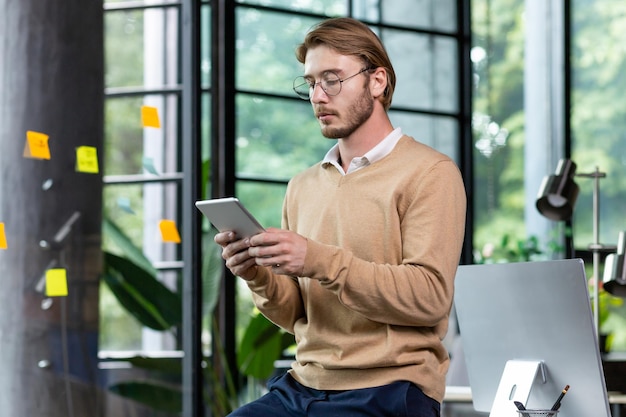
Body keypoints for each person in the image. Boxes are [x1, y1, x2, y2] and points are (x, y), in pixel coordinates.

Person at [215, 16, 466, 417]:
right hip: (302, 386)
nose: (318, 95)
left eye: (332, 79)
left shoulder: (430, 173)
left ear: (377, 81)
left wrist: (318, 259)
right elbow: (296, 313)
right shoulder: (303, 185)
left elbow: (430, 298)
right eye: (311, 83)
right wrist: (257, 276)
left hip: (390, 389)